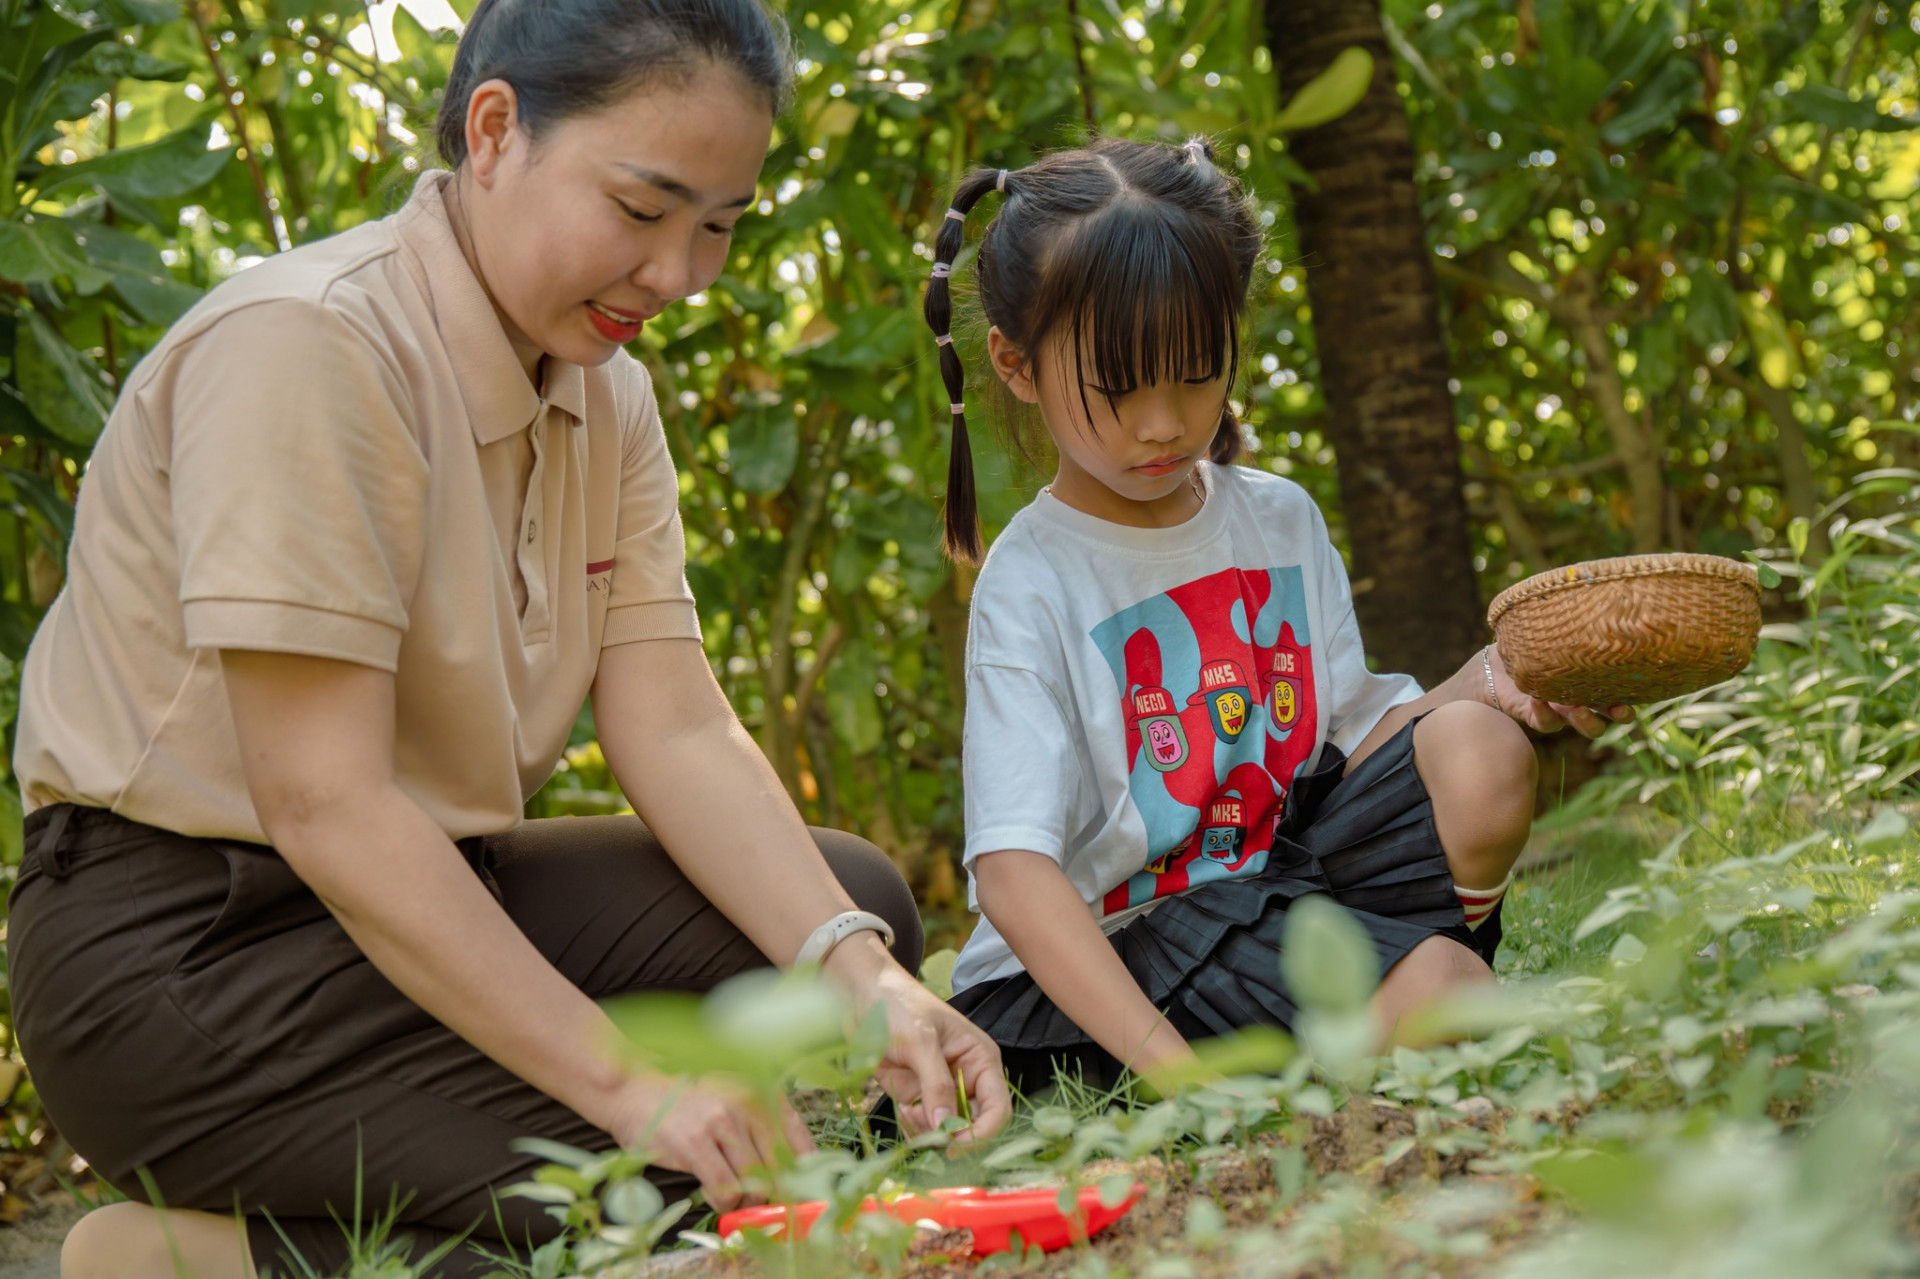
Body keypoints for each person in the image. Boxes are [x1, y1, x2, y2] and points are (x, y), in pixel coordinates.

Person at [9, 2, 1008, 1275]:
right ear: (495, 131)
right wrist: (632, 1088)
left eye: (718, 226)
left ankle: (399, 1185)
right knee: (662, 1193)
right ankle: (175, 1257)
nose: (681, 275)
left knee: (849, 914)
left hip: (427, 888)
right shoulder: (310, 344)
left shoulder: (609, 392)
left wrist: (869, 976)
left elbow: (678, 723)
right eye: (644, 212)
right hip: (185, 956)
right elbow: (325, 804)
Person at [920, 136, 1631, 1095]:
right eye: (1122, 388)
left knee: (1480, 750)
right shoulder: (1033, 581)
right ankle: (1364, 1025)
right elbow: (1013, 874)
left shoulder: (1277, 517)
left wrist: (1504, 683)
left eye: (1196, 371)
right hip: (1110, 966)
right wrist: (1177, 1076)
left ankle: (1375, 1004)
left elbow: (1350, 739)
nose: (1166, 423)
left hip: (1273, 888)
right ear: (1016, 364)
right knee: (1447, 994)